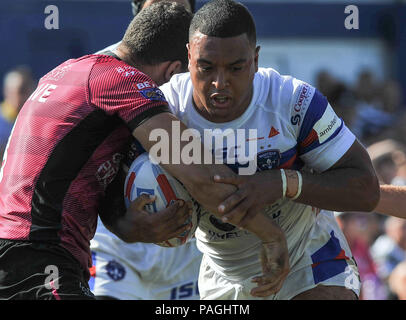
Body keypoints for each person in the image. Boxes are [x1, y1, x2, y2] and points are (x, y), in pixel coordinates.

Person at [156, 0, 380, 299]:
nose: (219, 83)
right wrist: (137, 224)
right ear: (188, 56)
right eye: (206, 67)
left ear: (256, 58)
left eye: (236, 68)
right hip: (225, 275)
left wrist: (283, 183)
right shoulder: (164, 109)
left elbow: (366, 189)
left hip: (308, 256)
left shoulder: (293, 101)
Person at [0, 2, 197, 300]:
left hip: (37, 251)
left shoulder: (70, 69)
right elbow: (190, 163)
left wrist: (131, 227)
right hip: (38, 253)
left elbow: (97, 181)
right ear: (174, 69)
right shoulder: (123, 80)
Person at [90, 0, 203, 300]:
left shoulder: (212, 74)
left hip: (188, 251)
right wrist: (121, 225)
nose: (171, 12)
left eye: (180, 5)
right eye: (160, 4)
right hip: (118, 244)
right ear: (138, 12)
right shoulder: (101, 71)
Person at [0, 66, 36, 158]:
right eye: (20, 91)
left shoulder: (36, 120)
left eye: (26, 91)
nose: (22, 97)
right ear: (6, 92)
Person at [370, 216, 406, 299]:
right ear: (390, 230)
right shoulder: (384, 247)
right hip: (385, 291)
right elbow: (383, 275)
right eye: (403, 227)